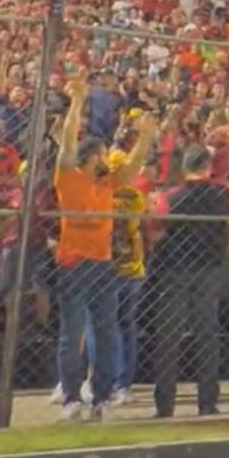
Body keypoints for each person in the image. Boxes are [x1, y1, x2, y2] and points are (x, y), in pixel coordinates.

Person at [53, 75, 156, 421]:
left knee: (107, 331)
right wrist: (78, 102)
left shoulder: (106, 184)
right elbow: (67, 141)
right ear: (91, 156)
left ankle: (100, 398)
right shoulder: (69, 176)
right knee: (73, 332)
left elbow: (132, 167)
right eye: (101, 155)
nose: (106, 161)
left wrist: (146, 135)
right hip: (74, 260)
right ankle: (70, 396)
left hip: (102, 262)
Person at [150, 144, 229, 418]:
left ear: (185, 168)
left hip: (174, 269)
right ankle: (207, 402)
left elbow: (156, 226)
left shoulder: (170, 196)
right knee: (207, 336)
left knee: (168, 338)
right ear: (208, 167)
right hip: (208, 266)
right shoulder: (223, 192)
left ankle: (165, 405)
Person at [83, 150, 148, 407]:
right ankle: (123, 384)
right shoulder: (136, 196)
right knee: (125, 327)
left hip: (105, 266)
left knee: (99, 327)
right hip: (132, 266)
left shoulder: (101, 194)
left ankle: (102, 382)